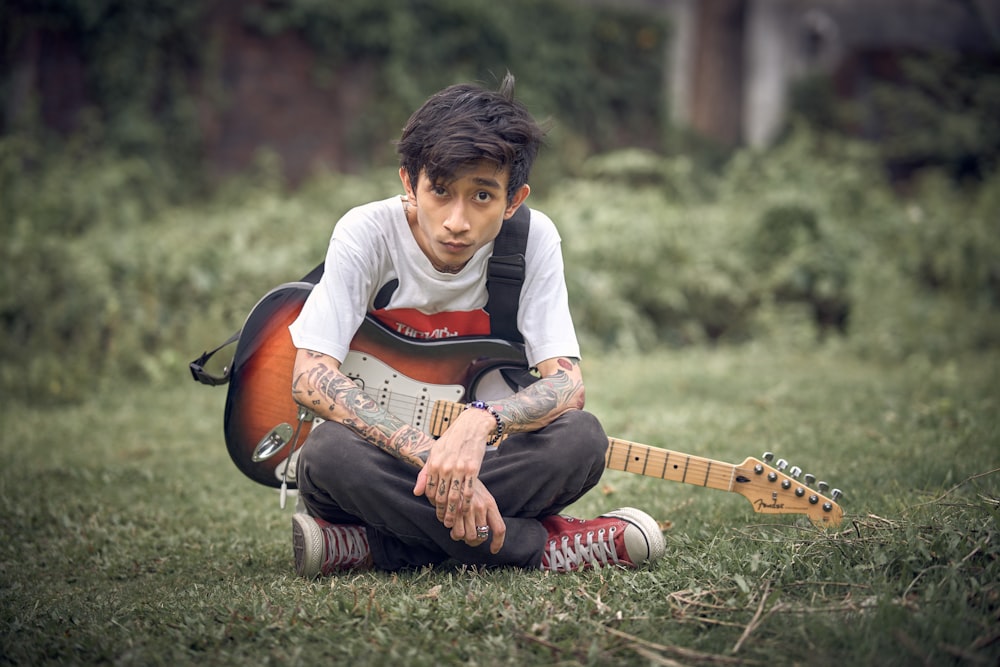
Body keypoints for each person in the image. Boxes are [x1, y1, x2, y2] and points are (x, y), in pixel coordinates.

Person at [287, 73, 664, 576]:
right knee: (329, 452)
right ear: (409, 181)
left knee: (581, 439)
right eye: (439, 191)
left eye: (482, 196)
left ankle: (374, 547)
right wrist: (431, 456)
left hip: (475, 464)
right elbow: (310, 377)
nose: (456, 221)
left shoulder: (532, 241)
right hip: (379, 466)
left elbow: (568, 386)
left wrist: (481, 421)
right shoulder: (367, 232)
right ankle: (541, 548)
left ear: (513, 200)